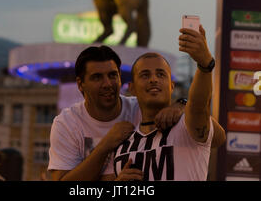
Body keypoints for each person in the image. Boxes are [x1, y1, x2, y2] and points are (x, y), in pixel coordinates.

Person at [48, 45, 225, 181]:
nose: (107, 84)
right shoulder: (67, 123)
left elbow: (215, 137)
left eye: (112, 75)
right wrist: (105, 146)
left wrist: (181, 105)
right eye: (97, 77)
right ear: (80, 84)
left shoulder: (140, 106)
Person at [102, 25, 220, 181]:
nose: (153, 79)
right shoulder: (121, 142)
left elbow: (199, 106)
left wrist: (204, 65)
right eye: (145, 75)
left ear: (171, 86)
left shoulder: (188, 126)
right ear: (132, 88)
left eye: (161, 74)